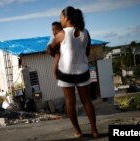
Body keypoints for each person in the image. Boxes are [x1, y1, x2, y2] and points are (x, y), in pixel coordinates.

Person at [49, 6, 98, 138]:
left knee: (70, 102)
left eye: (61, 17)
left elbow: (51, 49)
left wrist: (53, 51)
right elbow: (87, 53)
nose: (60, 20)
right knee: (87, 101)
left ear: (67, 18)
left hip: (66, 73)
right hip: (83, 71)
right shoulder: (86, 32)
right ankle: (94, 131)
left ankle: (78, 131)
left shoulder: (62, 34)